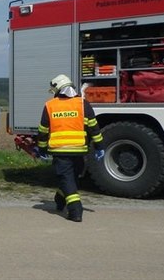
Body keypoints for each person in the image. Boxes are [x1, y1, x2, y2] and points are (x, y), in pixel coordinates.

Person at [36, 74, 105, 222]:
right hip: (79, 150)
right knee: (71, 178)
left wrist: (42, 149)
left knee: (67, 179)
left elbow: (43, 130)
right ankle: (60, 201)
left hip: (60, 150)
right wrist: (99, 146)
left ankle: (75, 210)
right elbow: (93, 127)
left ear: (57, 89)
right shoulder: (82, 103)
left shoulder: (50, 105)